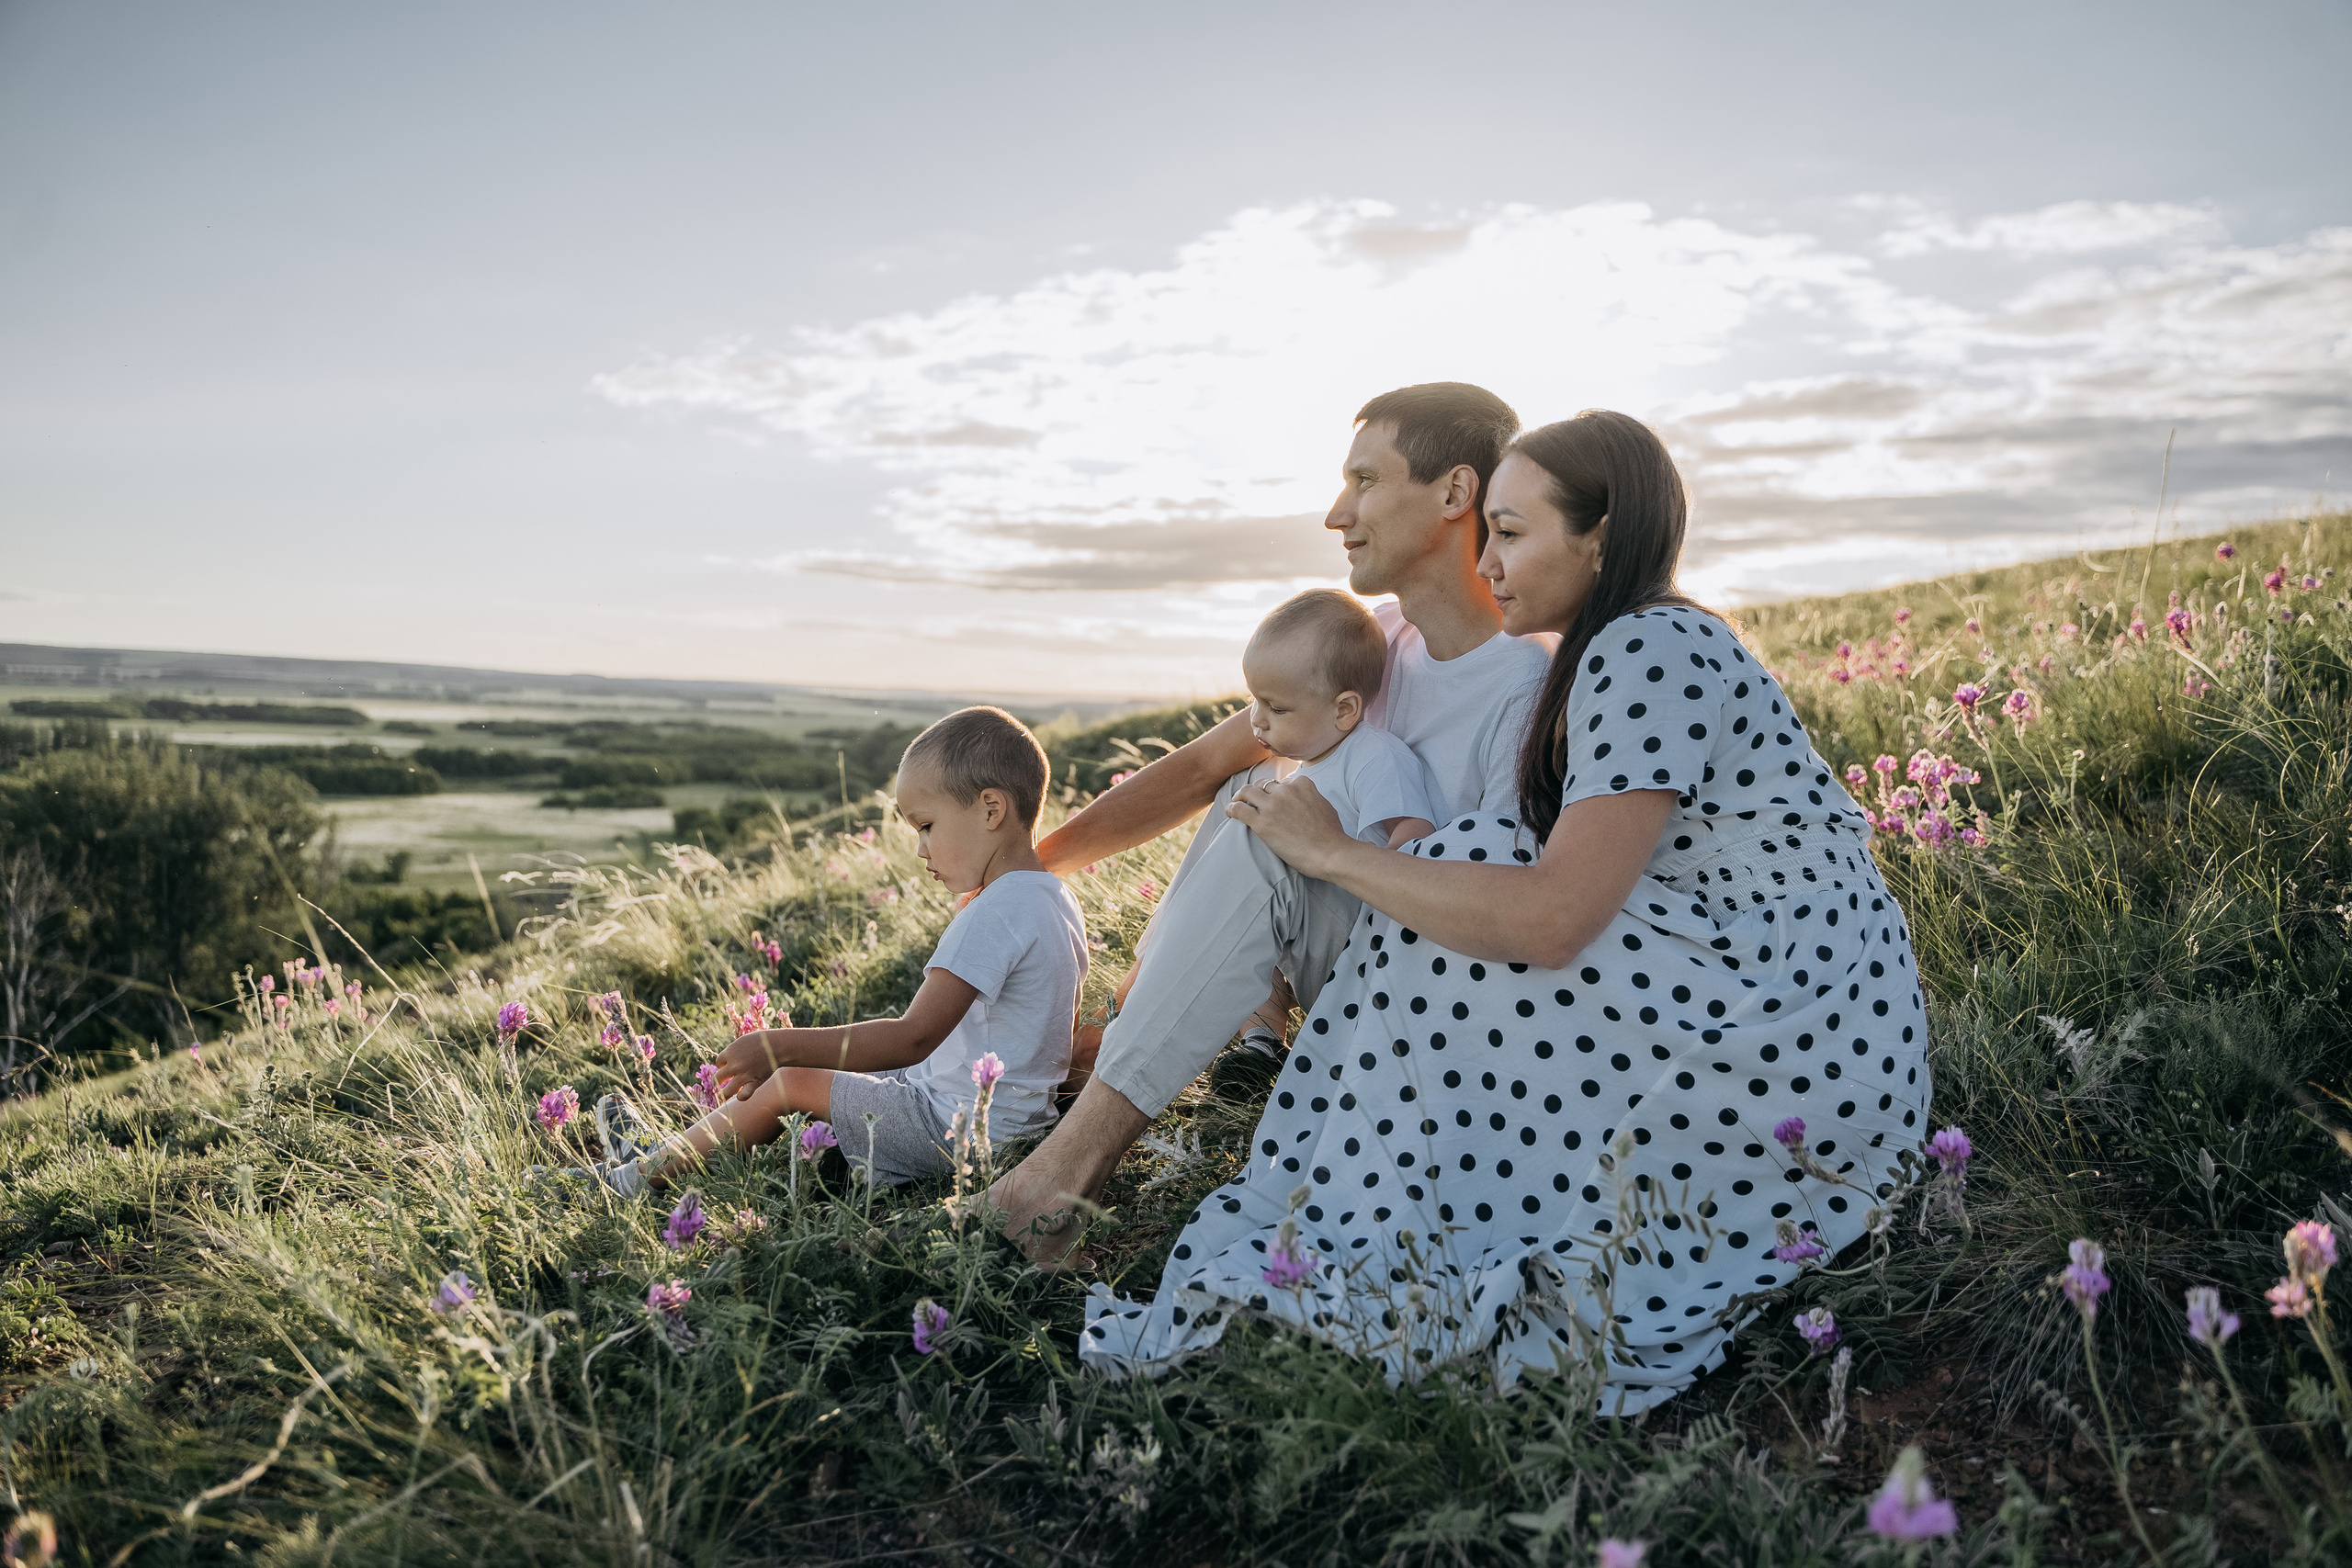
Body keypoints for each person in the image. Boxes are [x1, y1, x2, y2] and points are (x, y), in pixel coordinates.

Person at [1077, 411, 1929, 1415]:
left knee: (1471, 870)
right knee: (1466, 869)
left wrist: (1335, 854)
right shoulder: (1610, 651)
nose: (1488, 559)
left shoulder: (1649, 645)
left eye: (1513, 533)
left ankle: (1361, 1221)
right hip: (1784, 997)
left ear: (1599, 538)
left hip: (1788, 1014)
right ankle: (1383, 1206)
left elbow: (1553, 917)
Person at [993, 383, 1553, 1259]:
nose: (1338, 514)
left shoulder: (1524, 688)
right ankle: (1116, 1070)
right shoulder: (1377, 639)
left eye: (1365, 481)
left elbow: (1508, 917)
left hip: (1440, 1009)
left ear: (1455, 493)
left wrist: (1323, 846)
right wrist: (1030, 870)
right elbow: (1208, 762)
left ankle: (1058, 1176)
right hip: (1350, 955)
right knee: (1253, 790)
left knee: (1271, 824)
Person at [573, 706, 1088, 1195]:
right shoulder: (1053, 898)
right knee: (848, 1070)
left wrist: (780, 1045)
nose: (920, 848)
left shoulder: (995, 911)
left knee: (788, 1081)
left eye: (926, 825)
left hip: (961, 1133)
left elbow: (913, 1039)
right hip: (1015, 1126)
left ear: (991, 809)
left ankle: (634, 1181)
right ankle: (666, 1149)